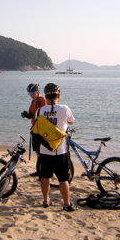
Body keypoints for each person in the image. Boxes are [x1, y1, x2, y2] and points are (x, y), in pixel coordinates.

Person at [37, 83, 77, 211]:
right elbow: (71, 121)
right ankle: (66, 204)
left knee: (45, 177)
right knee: (63, 178)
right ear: (58, 95)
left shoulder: (40, 110)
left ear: (45, 97)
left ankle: (46, 200)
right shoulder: (64, 109)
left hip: (44, 149)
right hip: (60, 151)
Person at [21, 83, 47, 157]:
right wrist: (25, 115)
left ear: (38, 91)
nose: (31, 95)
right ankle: (40, 167)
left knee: (42, 152)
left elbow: (46, 115)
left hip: (41, 130)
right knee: (36, 151)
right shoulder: (33, 102)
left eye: (33, 93)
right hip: (35, 129)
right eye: (29, 93)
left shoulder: (43, 101)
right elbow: (31, 115)